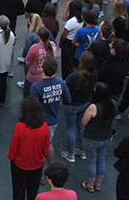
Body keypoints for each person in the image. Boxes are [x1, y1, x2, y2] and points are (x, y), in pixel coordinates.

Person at [30, 56, 71, 184]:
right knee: (48, 143)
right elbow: (68, 100)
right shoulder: (60, 82)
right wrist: (57, 107)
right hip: (53, 119)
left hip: (40, 121)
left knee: (41, 147)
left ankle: (42, 175)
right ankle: (51, 167)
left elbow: (33, 107)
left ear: (42, 69)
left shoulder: (36, 87)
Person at [7, 95, 49, 200]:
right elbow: (46, 149)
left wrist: (11, 157)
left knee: (18, 191)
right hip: (36, 165)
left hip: (19, 165)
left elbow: (13, 148)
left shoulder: (19, 127)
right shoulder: (44, 127)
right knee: (33, 191)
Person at [81, 82, 117, 193]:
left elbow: (84, 122)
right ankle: (98, 184)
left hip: (92, 138)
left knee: (91, 161)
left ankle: (90, 184)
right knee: (101, 159)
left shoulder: (93, 107)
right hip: (106, 137)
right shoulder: (113, 104)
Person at [61, 51, 95, 163]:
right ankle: (82, 150)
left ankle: (70, 154)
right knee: (81, 127)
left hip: (72, 104)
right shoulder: (93, 75)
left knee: (70, 128)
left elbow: (64, 86)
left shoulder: (75, 76)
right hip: (85, 104)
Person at [24, 27, 57, 97]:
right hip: (48, 77)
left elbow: (28, 62)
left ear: (38, 36)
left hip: (33, 77)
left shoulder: (34, 47)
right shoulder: (53, 45)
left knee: (28, 96)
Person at [59, 0, 82, 80]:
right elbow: (64, 17)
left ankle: (66, 79)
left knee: (66, 64)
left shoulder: (71, 22)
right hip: (76, 42)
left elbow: (64, 35)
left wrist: (60, 42)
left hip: (68, 43)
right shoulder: (81, 19)